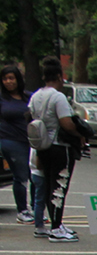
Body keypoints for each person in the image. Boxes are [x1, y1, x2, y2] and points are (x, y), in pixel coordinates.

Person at [29, 57, 83, 242]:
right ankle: (56, 228)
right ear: (59, 76)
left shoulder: (36, 95)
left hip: (42, 146)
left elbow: (29, 116)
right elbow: (66, 123)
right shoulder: (58, 97)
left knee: (49, 187)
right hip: (60, 146)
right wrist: (79, 133)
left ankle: (55, 223)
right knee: (59, 187)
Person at [1, 64, 33, 223]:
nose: (8, 82)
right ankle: (22, 210)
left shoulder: (29, 97)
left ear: (18, 79)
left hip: (31, 142)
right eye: (5, 79)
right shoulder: (2, 99)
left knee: (35, 176)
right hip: (10, 141)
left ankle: (35, 209)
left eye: (11, 78)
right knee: (21, 176)